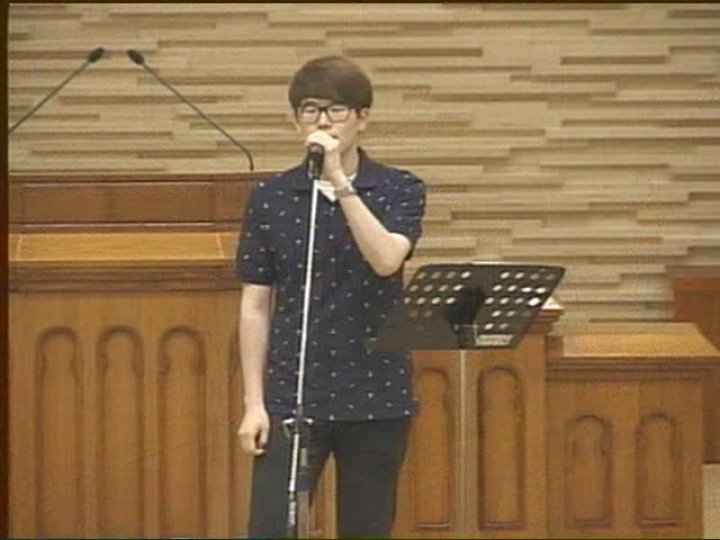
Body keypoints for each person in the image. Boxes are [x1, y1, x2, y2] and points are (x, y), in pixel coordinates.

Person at [235, 55, 426, 539]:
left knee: (366, 528)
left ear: (363, 118)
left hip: (376, 392)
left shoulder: (399, 188)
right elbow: (255, 304)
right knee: (272, 528)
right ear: (294, 120)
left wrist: (340, 181)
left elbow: (386, 259)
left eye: (336, 110)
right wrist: (254, 403)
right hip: (295, 393)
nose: (322, 121)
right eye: (310, 109)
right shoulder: (271, 197)